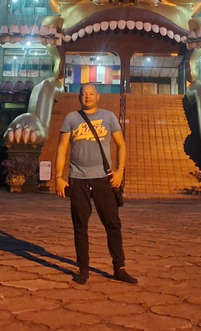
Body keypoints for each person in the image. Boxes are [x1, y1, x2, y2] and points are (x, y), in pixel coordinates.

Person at [55, 84, 137, 285]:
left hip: (103, 179)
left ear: (98, 97)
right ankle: (83, 269)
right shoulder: (71, 118)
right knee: (80, 225)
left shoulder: (108, 117)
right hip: (78, 179)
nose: (87, 97)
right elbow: (62, 148)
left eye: (91, 94)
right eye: (84, 94)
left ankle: (120, 267)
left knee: (113, 224)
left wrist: (120, 172)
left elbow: (121, 145)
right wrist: (58, 176)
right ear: (79, 97)